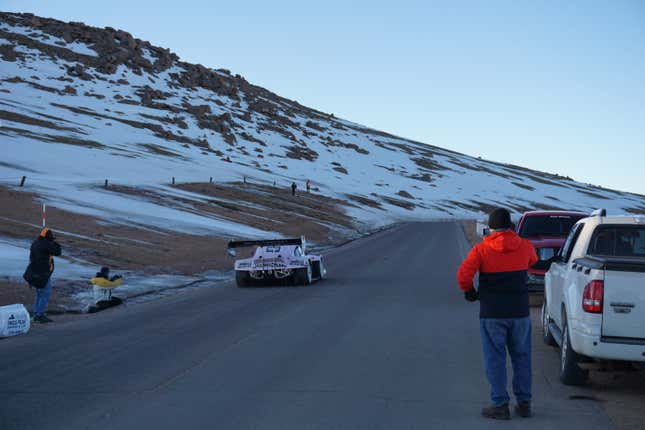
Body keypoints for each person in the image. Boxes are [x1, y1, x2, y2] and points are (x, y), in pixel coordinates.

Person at [457, 208, 538, 420]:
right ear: (510, 226)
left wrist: (470, 291)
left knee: (495, 359)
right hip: (520, 312)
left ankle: (500, 405)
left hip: (492, 313)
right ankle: (524, 403)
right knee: (522, 358)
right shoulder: (525, 246)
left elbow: (464, 275)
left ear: (490, 228)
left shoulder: (481, 249)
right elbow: (533, 261)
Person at [27, 227, 62, 323]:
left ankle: (36, 314)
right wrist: (54, 242)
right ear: (48, 237)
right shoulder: (46, 244)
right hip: (42, 274)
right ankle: (40, 315)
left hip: (34, 272)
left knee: (40, 293)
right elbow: (58, 252)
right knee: (45, 293)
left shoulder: (35, 243)